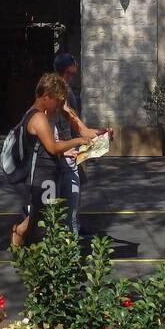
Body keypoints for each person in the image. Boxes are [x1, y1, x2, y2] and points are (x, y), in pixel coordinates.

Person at [10, 73, 94, 248]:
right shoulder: (38, 118)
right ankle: (20, 235)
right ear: (46, 97)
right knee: (41, 217)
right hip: (37, 177)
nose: (59, 105)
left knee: (43, 216)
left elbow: (49, 147)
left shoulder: (39, 114)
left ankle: (24, 237)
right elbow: (52, 147)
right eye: (57, 101)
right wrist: (78, 141)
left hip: (47, 173)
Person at [51, 53, 107, 236]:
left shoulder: (67, 93)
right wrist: (61, 149)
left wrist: (100, 133)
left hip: (71, 153)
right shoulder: (53, 94)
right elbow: (46, 126)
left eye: (73, 73)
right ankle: (68, 236)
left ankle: (73, 227)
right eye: (69, 73)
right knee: (65, 199)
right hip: (61, 154)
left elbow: (78, 126)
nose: (71, 77)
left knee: (72, 198)